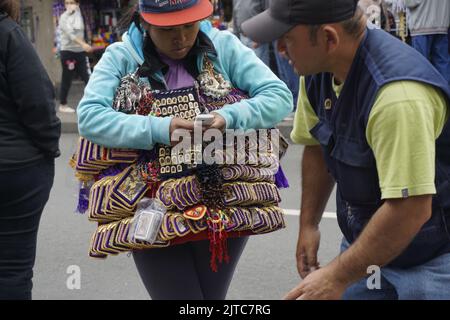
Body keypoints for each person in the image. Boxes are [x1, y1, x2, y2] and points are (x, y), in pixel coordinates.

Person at [77, 0, 292, 300]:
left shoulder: (222, 45)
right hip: (150, 203)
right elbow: (89, 117)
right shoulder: (121, 56)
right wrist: (160, 129)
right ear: (145, 22)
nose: (180, 38)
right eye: (167, 29)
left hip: (223, 198)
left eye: (189, 26)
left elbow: (279, 96)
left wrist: (228, 117)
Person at [243, 0, 450, 300]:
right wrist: (308, 224)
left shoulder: (397, 97)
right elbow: (315, 144)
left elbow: (410, 209)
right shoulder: (317, 71)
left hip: (432, 258)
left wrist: (337, 276)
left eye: (287, 40)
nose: (280, 52)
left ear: (329, 38)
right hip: (366, 243)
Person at [0, 0, 61, 300]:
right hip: (15, 169)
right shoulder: (8, 34)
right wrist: (49, 149)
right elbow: (37, 103)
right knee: (12, 270)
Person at [58, 0, 92, 113]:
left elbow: (82, 32)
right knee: (67, 79)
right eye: (67, 2)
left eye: (72, 2)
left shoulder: (80, 15)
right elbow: (71, 35)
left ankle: (94, 102)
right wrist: (84, 44)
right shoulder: (63, 17)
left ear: (77, 4)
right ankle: (62, 104)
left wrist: (85, 44)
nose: (69, 5)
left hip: (80, 52)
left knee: (88, 78)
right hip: (68, 52)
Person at [405, 0, 450, 84]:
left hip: (421, 26)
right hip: (442, 26)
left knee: (421, 64)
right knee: (442, 62)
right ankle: (445, 92)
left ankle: (424, 91)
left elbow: (410, 3)